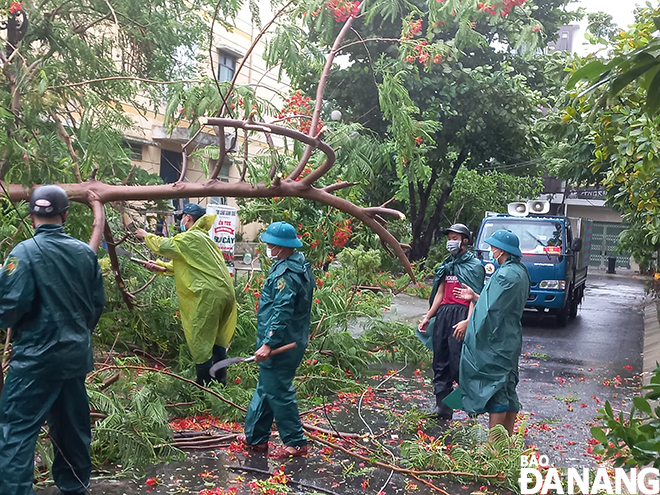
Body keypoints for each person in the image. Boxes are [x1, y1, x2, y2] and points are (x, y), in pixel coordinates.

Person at [0, 185, 106, 495]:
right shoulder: (85, 254)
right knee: (72, 429)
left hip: (34, 360)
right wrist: (75, 338)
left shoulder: (23, 253)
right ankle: (74, 488)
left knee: (15, 432)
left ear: (32, 215)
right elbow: (95, 306)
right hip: (73, 358)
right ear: (66, 215)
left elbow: (8, 308)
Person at [135, 203, 237, 386]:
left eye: (182, 217)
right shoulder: (204, 238)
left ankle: (204, 388)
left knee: (201, 339)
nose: (181, 220)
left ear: (187, 218)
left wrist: (145, 236)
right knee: (217, 339)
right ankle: (220, 385)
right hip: (224, 293)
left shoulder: (191, 237)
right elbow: (191, 266)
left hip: (209, 295)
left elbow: (166, 245)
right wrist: (161, 267)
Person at [237, 221, 315, 458]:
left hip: (282, 343)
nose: (268, 247)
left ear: (281, 246)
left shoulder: (286, 274)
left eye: (271, 243)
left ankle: (296, 442)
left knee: (279, 391)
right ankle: (256, 437)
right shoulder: (298, 265)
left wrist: (269, 343)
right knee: (266, 388)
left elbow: (282, 310)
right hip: (291, 338)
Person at [454, 229, 531, 436]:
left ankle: (494, 444)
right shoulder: (520, 272)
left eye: (493, 247)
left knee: (496, 390)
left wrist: (469, 325)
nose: (491, 250)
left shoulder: (505, 275)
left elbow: (490, 310)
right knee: (507, 388)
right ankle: (507, 440)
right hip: (511, 336)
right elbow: (498, 302)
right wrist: (475, 296)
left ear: (501, 250)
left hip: (497, 339)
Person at [417, 224, 485, 420]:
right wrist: (428, 317)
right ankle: (443, 407)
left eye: (455, 238)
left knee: (459, 362)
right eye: (449, 238)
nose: (450, 242)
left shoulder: (474, 266)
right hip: (444, 314)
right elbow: (439, 294)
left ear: (465, 240)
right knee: (440, 361)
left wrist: (468, 322)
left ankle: (472, 405)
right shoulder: (447, 265)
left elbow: (473, 296)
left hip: (462, 314)